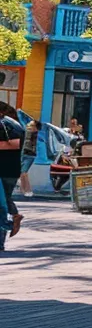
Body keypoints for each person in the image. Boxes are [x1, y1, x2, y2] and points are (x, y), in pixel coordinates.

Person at [0, 102, 26, 251]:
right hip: (10, 169)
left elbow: (14, 144)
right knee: (2, 204)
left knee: (2, 205)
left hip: (5, 170)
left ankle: (12, 219)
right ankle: (1, 242)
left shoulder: (7, 125)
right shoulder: (14, 124)